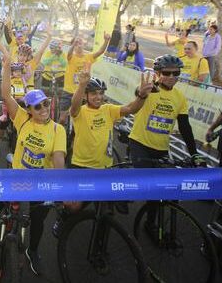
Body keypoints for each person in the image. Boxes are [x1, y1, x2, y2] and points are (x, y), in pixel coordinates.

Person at [0, 52, 66, 276]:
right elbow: (6, 93)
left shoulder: (58, 130)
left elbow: (58, 159)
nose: (44, 109)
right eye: (38, 106)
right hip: (17, 176)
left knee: (38, 221)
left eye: (46, 104)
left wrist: (61, 187)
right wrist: (7, 67)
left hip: (41, 182)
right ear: (29, 110)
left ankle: (33, 251)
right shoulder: (22, 119)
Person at [52, 66, 154, 233]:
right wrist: (81, 85)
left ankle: (99, 249)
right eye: (94, 94)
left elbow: (131, 108)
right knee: (73, 206)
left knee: (104, 213)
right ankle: (63, 218)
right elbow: (74, 105)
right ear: (86, 96)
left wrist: (142, 95)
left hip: (105, 167)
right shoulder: (81, 112)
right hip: (81, 165)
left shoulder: (108, 109)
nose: (98, 97)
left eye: (101, 93)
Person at [128, 54, 201, 237]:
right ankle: (121, 196)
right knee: (149, 186)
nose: (171, 77)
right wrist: (141, 93)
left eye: (176, 73)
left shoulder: (179, 98)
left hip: (161, 148)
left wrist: (195, 154)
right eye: (166, 73)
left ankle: (150, 224)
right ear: (158, 73)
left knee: (165, 189)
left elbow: (185, 128)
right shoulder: (149, 89)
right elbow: (140, 93)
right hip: (139, 143)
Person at [61, 33, 111, 123]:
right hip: (68, 91)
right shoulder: (71, 56)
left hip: (82, 92)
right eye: (76, 43)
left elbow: (100, 51)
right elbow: (69, 54)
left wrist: (106, 41)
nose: (78, 44)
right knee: (62, 119)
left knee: (81, 118)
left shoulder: (88, 57)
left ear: (83, 45)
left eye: (80, 42)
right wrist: (73, 44)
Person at [0, 62, 28, 158]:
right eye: (16, 71)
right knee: (3, 124)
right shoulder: (9, 80)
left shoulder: (23, 80)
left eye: (19, 71)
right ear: (12, 73)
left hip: (21, 104)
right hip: (10, 103)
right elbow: (4, 92)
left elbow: (26, 90)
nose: (18, 73)